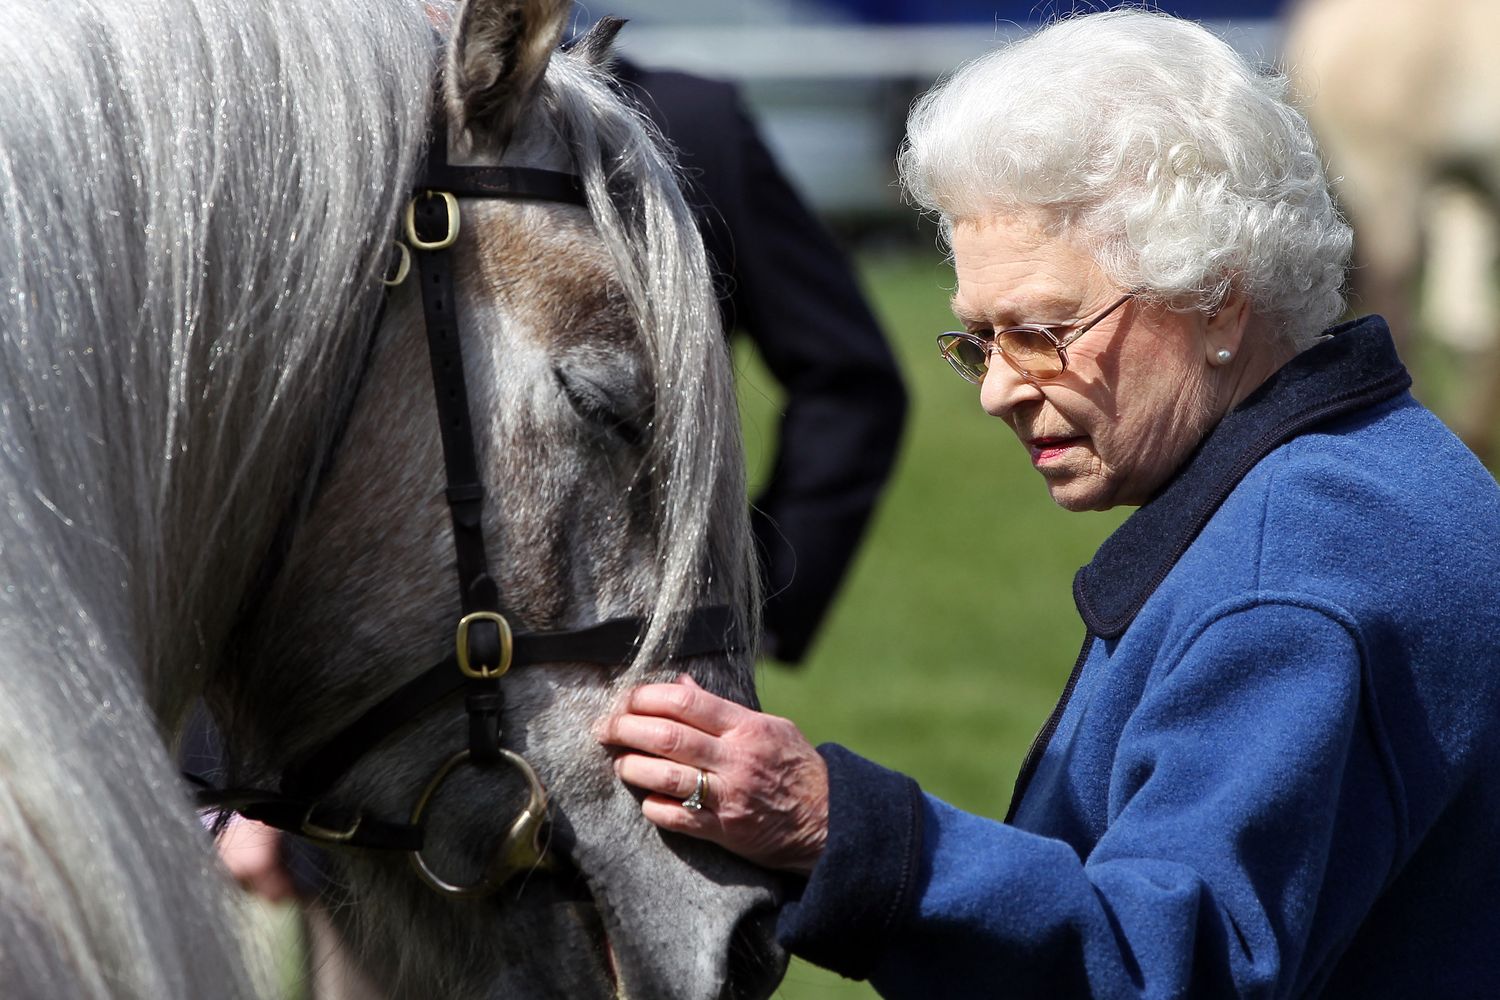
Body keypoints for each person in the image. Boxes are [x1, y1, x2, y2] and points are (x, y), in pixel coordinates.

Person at [597, 9, 1500, 996]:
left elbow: (1165, 970)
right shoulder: (1380, 462)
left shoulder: (1286, 588)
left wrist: (832, 826)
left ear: (1219, 304)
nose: (997, 389)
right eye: (980, 340)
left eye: (1043, 331)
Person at [609, 57, 907, 663]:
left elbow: (848, 380)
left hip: (641, 643)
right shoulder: (363, 130)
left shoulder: (686, 124)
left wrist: (762, 592)